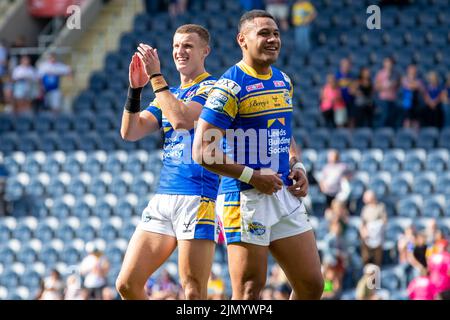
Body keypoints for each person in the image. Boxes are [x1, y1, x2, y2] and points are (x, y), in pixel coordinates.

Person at [193, 10, 323, 300]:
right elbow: (202, 150)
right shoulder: (229, 87)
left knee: (312, 286)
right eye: (264, 33)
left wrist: (295, 162)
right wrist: (253, 176)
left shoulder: (283, 80)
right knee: (249, 292)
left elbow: (283, 130)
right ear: (242, 40)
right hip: (244, 197)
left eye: (276, 33)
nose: (273, 39)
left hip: (283, 193)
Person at [115, 24, 220, 300]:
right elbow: (131, 131)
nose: (179, 52)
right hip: (164, 196)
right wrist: (135, 89)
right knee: (127, 284)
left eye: (187, 46)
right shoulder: (168, 93)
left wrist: (155, 76)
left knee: (193, 292)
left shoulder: (213, 87)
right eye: (175, 46)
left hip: (197, 195)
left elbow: (182, 120)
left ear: (205, 51)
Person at [359, 190, 387, 267]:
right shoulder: (365, 209)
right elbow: (362, 223)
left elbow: (384, 221)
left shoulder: (381, 207)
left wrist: (375, 227)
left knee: (377, 260)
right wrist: (363, 231)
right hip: (367, 237)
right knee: (366, 258)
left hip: (378, 237)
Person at [374, 57, 399, 128]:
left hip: (392, 98)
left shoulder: (396, 74)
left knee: (392, 117)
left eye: (390, 63)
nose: (389, 64)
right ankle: (380, 131)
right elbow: (376, 86)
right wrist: (384, 87)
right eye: (387, 62)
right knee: (385, 115)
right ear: (384, 64)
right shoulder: (380, 73)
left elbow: (397, 85)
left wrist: (393, 85)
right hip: (383, 98)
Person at [400, 64, 423, 128]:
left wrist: (413, 85)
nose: (413, 71)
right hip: (407, 102)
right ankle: (407, 133)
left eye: (414, 70)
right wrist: (413, 85)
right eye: (411, 70)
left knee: (416, 120)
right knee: (407, 119)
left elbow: (418, 86)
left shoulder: (419, 80)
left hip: (416, 102)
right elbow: (407, 86)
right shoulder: (404, 78)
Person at [335, 58, 355, 127]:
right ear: (341, 65)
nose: (346, 67)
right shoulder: (337, 76)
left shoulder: (351, 76)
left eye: (348, 65)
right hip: (340, 102)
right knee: (340, 122)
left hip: (350, 101)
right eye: (344, 65)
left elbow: (354, 88)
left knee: (351, 120)